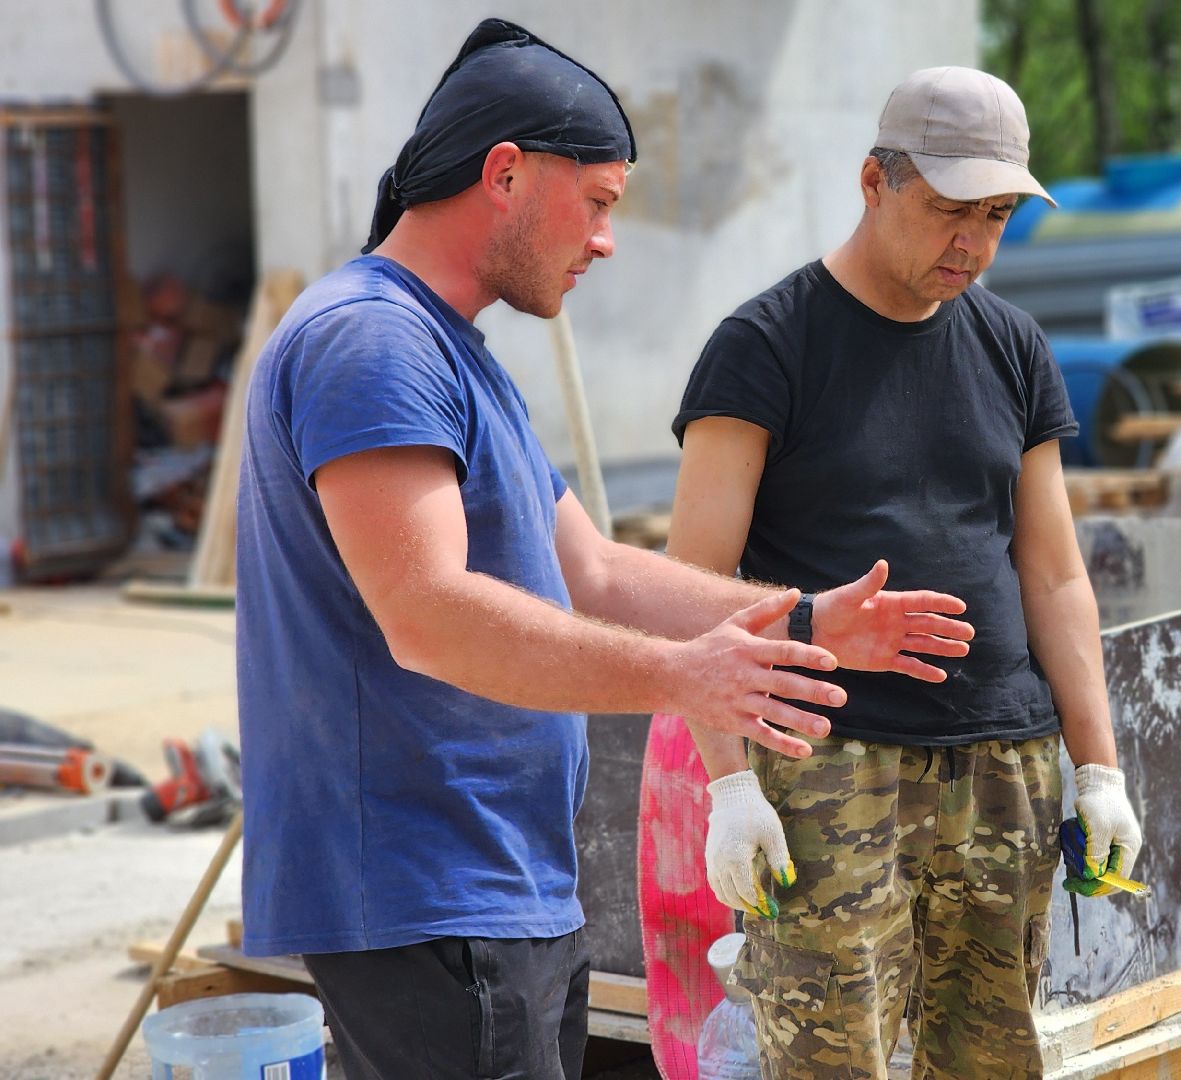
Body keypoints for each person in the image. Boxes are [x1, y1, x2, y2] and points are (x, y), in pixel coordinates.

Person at [234, 22, 972, 1079]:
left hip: (494, 885)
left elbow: (596, 573)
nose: (606, 240)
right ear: (505, 175)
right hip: (425, 889)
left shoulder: (448, 350)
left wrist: (803, 621)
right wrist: (685, 679)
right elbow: (426, 612)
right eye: (598, 203)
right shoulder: (373, 342)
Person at [666, 66, 1146, 1078]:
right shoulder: (764, 348)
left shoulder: (1011, 346)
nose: (972, 242)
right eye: (948, 211)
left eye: (998, 216)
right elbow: (692, 587)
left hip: (1000, 768)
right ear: (873, 182)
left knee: (988, 1060)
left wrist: (1097, 768)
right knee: (829, 1062)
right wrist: (729, 789)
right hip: (832, 771)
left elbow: (1054, 574)